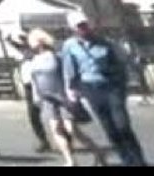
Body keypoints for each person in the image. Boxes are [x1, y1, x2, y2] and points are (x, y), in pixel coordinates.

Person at [60, 12, 146, 167]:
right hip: (91, 89)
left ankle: (138, 160)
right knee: (109, 128)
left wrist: (126, 78)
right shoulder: (70, 46)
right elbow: (69, 69)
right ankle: (126, 160)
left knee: (122, 124)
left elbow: (123, 61)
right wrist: (71, 90)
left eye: (85, 24)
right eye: (79, 26)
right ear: (73, 28)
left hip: (111, 87)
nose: (83, 28)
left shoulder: (105, 42)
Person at [26, 28, 105, 167]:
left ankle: (98, 152)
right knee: (56, 128)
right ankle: (70, 160)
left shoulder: (57, 57)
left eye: (32, 41)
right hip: (47, 98)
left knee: (72, 130)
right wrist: (36, 97)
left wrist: (74, 91)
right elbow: (34, 80)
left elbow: (69, 74)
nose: (30, 44)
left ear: (40, 42)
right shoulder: (33, 60)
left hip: (62, 96)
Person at [6, 32, 54, 153]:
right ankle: (43, 141)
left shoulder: (37, 52)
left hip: (39, 84)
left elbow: (21, 46)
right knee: (33, 115)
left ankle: (63, 137)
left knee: (52, 113)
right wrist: (9, 38)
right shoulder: (25, 51)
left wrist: (21, 39)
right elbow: (15, 45)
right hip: (29, 86)